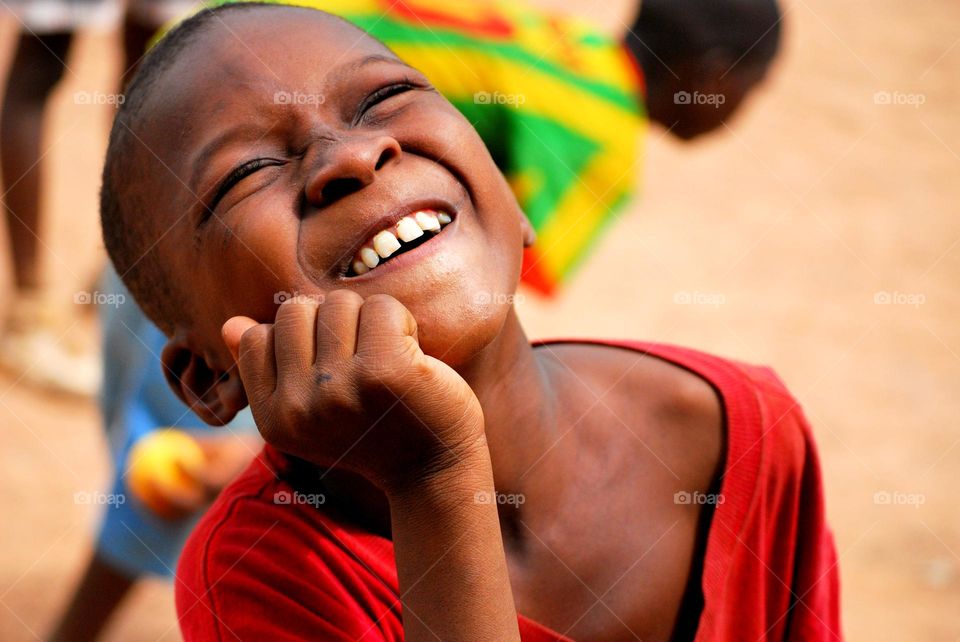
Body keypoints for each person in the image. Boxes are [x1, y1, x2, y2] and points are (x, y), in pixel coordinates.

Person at [98, 3, 841, 640]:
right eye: (244, 174)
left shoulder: (743, 434)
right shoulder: (264, 572)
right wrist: (433, 476)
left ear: (511, 200)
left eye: (385, 96)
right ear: (207, 379)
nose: (352, 155)